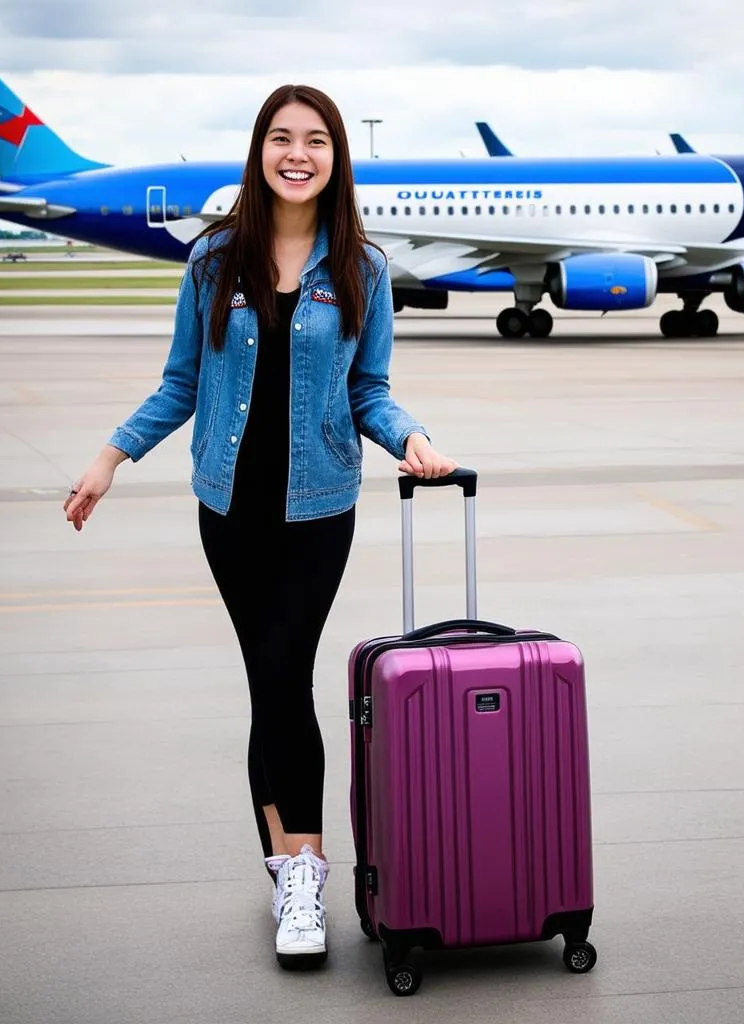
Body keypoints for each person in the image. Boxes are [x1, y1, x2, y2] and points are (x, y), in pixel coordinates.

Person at [63, 84, 458, 970]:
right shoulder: (213, 264)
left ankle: (302, 873)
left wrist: (413, 437)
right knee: (269, 682)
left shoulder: (362, 269)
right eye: (282, 138)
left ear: (335, 157)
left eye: (315, 140)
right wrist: (110, 456)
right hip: (228, 508)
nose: (297, 153)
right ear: (259, 151)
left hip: (319, 507)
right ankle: (295, 875)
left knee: (282, 673)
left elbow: (370, 390)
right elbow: (180, 383)